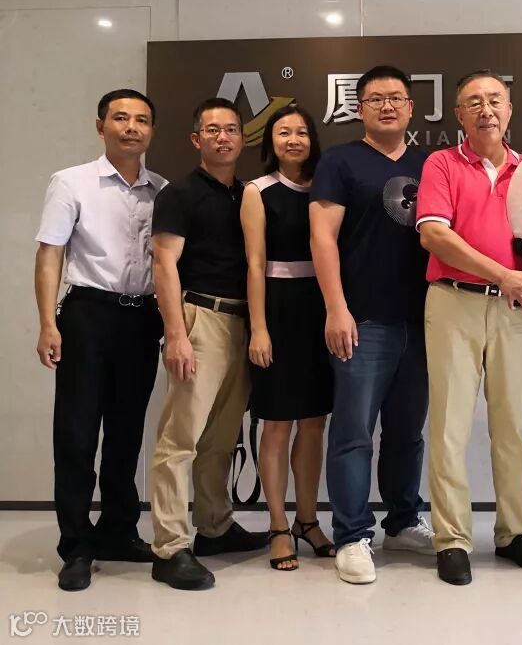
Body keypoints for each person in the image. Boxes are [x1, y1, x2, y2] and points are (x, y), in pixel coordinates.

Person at [416, 70, 522, 586]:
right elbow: (434, 235)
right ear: (459, 115)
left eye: (495, 100)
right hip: (454, 302)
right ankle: (452, 539)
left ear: (511, 110)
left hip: (515, 309)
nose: (486, 110)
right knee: (450, 426)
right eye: (474, 102)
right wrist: (501, 274)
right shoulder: (442, 164)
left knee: (511, 425)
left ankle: (513, 532)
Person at [34, 89, 166, 591]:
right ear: (100, 126)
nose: (132, 127)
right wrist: (48, 323)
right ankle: (76, 545)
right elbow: (50, 254)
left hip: (142, 318)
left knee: (127, 431)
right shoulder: (71, 182)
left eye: (142, 120)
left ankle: (118, 530)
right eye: (121, 118)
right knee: (77, 432)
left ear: (152, 130)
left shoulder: (161, 190)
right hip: (88, 314)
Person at [310, 66, 434, 586]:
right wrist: (336, 308)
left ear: (411, 108)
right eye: (376, 99)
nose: (387, 106)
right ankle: (352, 534)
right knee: (354, 433)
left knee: (407, 432)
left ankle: (403, 521)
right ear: (359, 108)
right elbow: (322, 238)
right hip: (361, 321)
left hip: (423, 321)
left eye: (396, 98)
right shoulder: (340, 162)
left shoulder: (431, 164)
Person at [148, 97, 267, 590]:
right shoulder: (179, 194)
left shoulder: (247, 194)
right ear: (197, 139)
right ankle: (169, 547)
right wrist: (176, 333)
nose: (223, 137)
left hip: (242, 322)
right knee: (180, 439)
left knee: (221, 436)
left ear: (243, 137)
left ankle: (214, 527)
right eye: (213, 130)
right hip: (200, 318)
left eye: (232, 129)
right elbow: (163, 264)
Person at [241, 104, 334, 572]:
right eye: (283, 132)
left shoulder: (326, 189)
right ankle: (278, 525)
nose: (293, 140)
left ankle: (307, 520)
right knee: (277, 423)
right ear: (270, 141)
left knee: (314, 422)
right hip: (277, 308)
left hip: (320, 309)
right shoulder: (257, 191)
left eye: (301, 132)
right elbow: (255, 263)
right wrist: (259, 328)